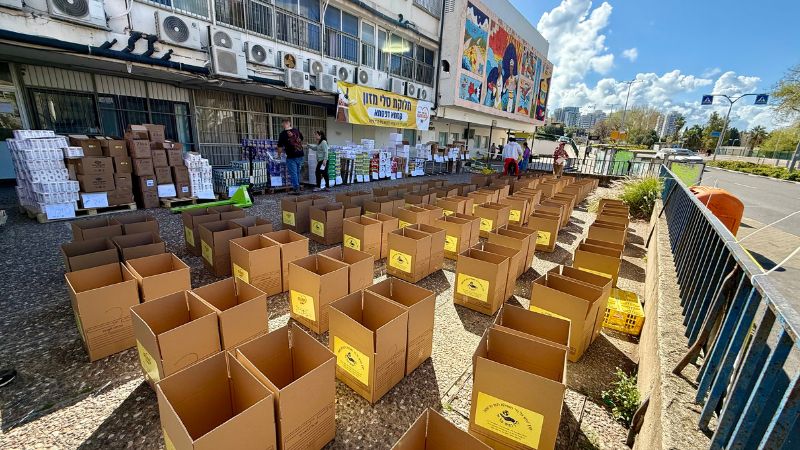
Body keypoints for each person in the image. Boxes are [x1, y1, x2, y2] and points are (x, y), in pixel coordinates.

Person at [277, 119, 304, 195]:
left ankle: (296, 189)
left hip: (292, 156)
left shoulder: (282, 134)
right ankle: (297, 186)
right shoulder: (296, 130)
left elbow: (279, 146)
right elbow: (301, 138)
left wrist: (279, 155)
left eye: (283, 124)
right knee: (297, 172)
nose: (282, 125)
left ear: (284, 124)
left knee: (293, 173)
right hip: (300, 154)